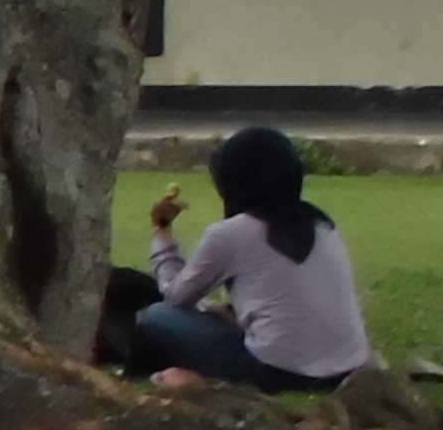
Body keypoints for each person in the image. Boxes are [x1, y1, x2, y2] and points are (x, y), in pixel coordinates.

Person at [138, 125, 367, 394]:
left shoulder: (232, 233)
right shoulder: (324, 225)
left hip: (275, 373)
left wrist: (163, 232)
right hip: (347, 370)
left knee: (156, 316)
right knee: (215, 313)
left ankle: (203, 383)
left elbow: (175, 297)